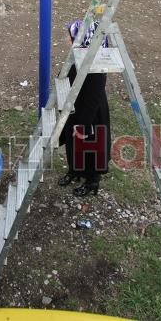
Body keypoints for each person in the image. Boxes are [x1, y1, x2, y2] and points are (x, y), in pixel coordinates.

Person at [58, 20, 111, 196]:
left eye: (70, 37)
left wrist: (84, 126)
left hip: (90, 115)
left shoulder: (96, 67)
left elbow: (93, 99)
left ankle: (92, 181)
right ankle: (74, 171)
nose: (67, 40)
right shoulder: (78, 57)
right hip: (75, 107)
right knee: (73, 144)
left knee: (91, 147)